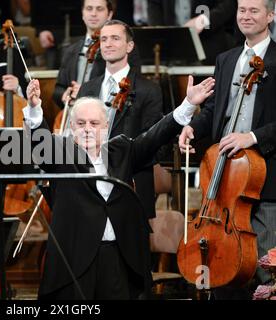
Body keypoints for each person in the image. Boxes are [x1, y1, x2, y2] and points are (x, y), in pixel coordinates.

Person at [24, 72, 214, 299]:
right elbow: (40, 146)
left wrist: (187, 105)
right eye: (81, 123)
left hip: (118, 256)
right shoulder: (60, 154)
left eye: (94, 123)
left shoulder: (122, 150)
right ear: (72, 127)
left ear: (105, 127)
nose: (87, 129)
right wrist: (35, 109)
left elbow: (155, 136)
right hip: (75, 259)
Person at [178, 0, 276, 298]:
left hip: (266, 181)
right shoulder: (226, 58)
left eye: (254, 10)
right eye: (242, 10)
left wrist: (253, 137)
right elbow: (214, 111)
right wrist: (192, 128)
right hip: (224, 183)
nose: (246, 16)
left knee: (265, 270)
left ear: (271, 16)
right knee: (224, 278)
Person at [77, 19, 163, 220]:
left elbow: (156, 145)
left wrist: (122, 159)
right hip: (90, 188)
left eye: (115, 38)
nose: (108, 44)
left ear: (129, 46)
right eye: (104, 39)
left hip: (131, 187)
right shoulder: (87, 88)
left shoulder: (149, 90)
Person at [53, 0, 142, 108]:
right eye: (89, 9)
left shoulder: (124, 48)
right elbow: (58, 88)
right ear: (82, 13)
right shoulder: (70, 51)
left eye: (99, 9)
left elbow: (132, 86)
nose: (93, 13)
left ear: (109, 14)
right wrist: (65, 94)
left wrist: (85, 92)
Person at [148, 0, 237, 64]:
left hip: (208, 47)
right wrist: (159, 33)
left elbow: (229, 3)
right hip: (170, 53)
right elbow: (154, 5)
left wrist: (204, 20)